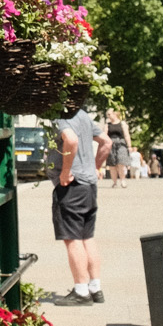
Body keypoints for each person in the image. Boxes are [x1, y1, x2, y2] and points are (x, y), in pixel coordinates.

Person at [54, 102, 108, 303]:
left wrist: (66, 171)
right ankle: (95, 288)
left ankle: (81, 291)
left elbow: (71, 139)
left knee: (72, 238)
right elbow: (107, 142)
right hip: (89, 185)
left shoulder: (59, 116)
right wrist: (95, 167)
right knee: (87, 236)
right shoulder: (83, 115)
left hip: (72, 185)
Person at [105, 109, 132, 189]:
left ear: (115, 114)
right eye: (107, 114)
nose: (108, 116)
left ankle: (123, 180)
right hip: (110, 144)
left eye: (109, 114)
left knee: (121, 162)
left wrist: (129, 146)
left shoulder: (122, 124)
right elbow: (104, 136)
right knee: (112, 164)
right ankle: (114, 182)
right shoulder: (107, 125)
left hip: (121, 143)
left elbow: (126, 135)